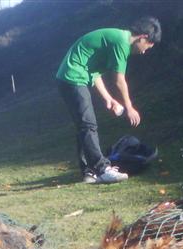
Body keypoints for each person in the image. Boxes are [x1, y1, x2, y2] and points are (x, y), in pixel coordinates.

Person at [56, 17, 161, 184]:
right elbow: (119, 80)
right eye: (147, 48)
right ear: (143, 37)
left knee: (84, 127)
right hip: (73, 76)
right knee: (88, 125)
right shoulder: (121, 42)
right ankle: (102, 169)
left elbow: (95, 73)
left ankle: (89, 172)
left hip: (75, 76)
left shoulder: (117, 40)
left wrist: (109, 99)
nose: (144, 52)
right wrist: (130, 107)